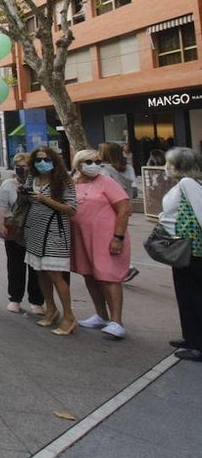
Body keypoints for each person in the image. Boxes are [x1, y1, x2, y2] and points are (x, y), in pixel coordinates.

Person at [70, 149, 132, 339]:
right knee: (89, 275)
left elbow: (124, 209)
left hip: (107, 238)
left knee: (108, 277)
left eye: (98, 161)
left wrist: (118, 238)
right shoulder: (72, 183)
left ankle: (116, 321)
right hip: (82, 238)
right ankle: (101, 315)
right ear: (78, 164)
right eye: (89, 161)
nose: (94, 165)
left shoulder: (107, 182)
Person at [21, 146, 79, 335]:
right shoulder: (33, 179)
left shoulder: (64, 182)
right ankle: (51, 308)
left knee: (55, 275)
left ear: (54, 160)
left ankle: (69, 316)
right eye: (38, 160)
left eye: (46, 159)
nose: (42, 163)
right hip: (34, 231)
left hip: (55, 232)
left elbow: (71, 209)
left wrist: (45, 199)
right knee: (40, 273)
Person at [160, 148, 202, 362]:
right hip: (183, 250)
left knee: (193, 295)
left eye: (169, 163)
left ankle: (198, 343)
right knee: (185, 294)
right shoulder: (184, 184)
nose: (165, 168)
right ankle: (191, 336)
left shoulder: (188, 184)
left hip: (192, 251)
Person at [0, 153, 44, 314]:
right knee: (15, 265)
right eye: (18, 165)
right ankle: (15, 298)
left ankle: (37, 301)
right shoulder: (9, 184)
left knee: (36, 267)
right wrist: (0, 225)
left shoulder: (41, 184)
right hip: (15, 231)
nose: (22, 169)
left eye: (25, 165)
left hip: (36, 230)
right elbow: (1, 205)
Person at [100, 142, 139, 282]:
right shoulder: (128, 167)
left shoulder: (104, 170)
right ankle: (126, 266)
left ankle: (125, 267)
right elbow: (134, 186)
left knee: (109, 239)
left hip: (110, 208)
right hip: (125, 205)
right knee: (121, 236)